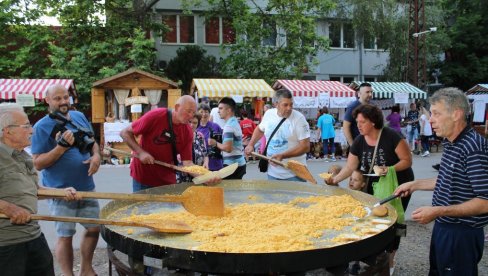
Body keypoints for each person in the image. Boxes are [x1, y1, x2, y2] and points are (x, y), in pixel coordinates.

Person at [394, 88, 488, 276]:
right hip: (444, 226)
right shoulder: (451, 142)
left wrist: (438, 211)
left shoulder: (473, 147)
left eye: (436, 113)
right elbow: (450, 178)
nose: (430, 119)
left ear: (456, 114)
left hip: (461, 233)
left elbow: (485, 201)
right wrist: (415, 185)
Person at [325, 104, 414, 273]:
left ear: (373, 122)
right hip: (372, 185)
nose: (358, 125)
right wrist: (334, 179)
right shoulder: (359, 140)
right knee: (372, 219)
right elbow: (350, 167)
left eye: (362, 122)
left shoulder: (391, 136)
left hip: (398, 184)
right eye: (357, 121)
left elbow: (407, 161)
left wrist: (390, 169)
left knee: (393, 222)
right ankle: (374, 257)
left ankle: (390, 259)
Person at [0, 103, 80, 276]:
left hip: (34, 237)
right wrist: (8, 208)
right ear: (8, 131)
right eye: (27, 126)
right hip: (6, 245)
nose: (32, 131)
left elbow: (32, 189)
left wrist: (59, 192)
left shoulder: (23, 155)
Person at [30, 84, 101, 276]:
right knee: (65, 235)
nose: (63, 102)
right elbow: (37, 163)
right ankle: (68, 274)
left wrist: (96, 156)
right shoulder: (41, 127)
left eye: (65, 97)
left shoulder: (78, 116)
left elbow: (92, 142)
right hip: (60, 191)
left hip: (87, 186)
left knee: (94, 228)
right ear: (48, 101)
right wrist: (61, 147)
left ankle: (86, 268)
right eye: (57, 98)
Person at [121, 95, 219, 190]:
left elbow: (188, 163)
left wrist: (206, 177)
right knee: (141, 207)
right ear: (177, 107)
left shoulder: (188, 132)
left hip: (167, 179)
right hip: (143, 177)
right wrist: (140, 152)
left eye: (193, 113)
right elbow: (125, 133)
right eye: (188, 111)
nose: (190, 116)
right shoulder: (156, 115)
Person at [244, 89, 310, 181]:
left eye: (291, 104)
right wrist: (251, 144)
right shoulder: (269, 114)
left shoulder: (299, 119)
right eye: (285, 105)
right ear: (276, 104)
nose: (289, 108)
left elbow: (305, 146)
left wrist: (282, 155)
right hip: (273, 173)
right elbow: (260, 129)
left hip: (294, 174)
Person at [208, 97, 246, 179]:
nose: (218, 111)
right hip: (239, 163)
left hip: (232, 166)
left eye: (221, 108)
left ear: (228, 110)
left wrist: (215, 143)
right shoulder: (234, 122)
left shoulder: (229, 126)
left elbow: (228, 148)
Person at [177, 113, 208, 183]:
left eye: (195, 123)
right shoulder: (179, 136)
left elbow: (205, 154)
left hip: (198, 175)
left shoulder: (200, 136)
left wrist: (206, 163)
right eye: (189, 122)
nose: (192, 125)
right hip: (183, 176)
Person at [197, 103, 223, 171]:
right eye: (201, 112)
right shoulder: (195, 127)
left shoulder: (215, 126)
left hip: (215, 162)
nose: (204, 114)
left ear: (209, 113)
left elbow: (223, 141)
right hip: (200, 164)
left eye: (206, 112)